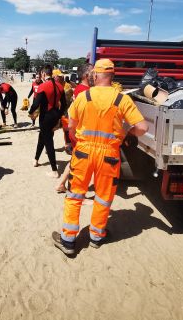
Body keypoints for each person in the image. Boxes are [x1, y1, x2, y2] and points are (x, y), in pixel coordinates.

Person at [52, 59, 148, 255]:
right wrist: (126, 133)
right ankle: (97, 236)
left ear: (94, 75)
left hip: (84, 153)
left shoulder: (83, 97)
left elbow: (70, 125)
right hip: (109, 155)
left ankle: (68, 241)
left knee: (75, 195)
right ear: (112, 77)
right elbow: (142, 128)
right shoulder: (122, 99)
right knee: (104, 198)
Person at [55, 63, 94, 193]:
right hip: (80, 132)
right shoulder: (84, 91)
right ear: (86, 75)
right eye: (93, 72)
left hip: (76, 130)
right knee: (80, 163)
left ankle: (61, 184)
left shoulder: (79, 89)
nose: (96, 75)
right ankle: (75, 191)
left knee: (74, 160)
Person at [28, 63, 67, 178]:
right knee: (43, 137)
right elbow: (64, 104)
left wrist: (30, 113)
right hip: (55, 114)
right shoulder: (60, 86)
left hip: (45, 117)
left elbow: (36, 104)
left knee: (48, 141)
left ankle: (54, 171)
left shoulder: (43, 86)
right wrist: (59, 116)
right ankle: (36, 160)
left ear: (44, 74)